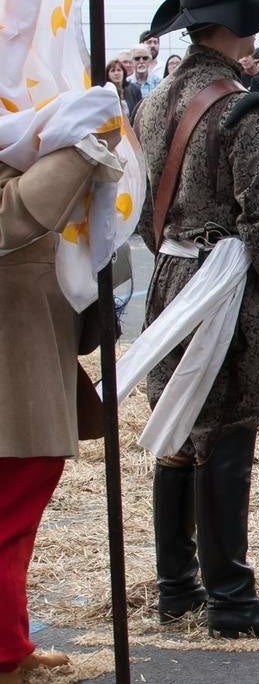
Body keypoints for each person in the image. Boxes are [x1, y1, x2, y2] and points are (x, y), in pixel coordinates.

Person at [133, 0, 259, 638]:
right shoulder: (242, 108)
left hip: (168, 281)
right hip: (222, 292)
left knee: (180, 432)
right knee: (228, 430)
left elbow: (134, 208)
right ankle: (233, 600)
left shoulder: (156, 101)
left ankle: (177, 591)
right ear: (235, 28)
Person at [0, 95, 123, 679]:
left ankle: (11, 643)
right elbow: (14, 216)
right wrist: (80, 147)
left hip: (27, 359)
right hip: (11, 371)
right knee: (9, 517)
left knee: (15, 517)